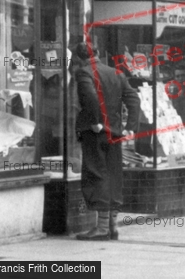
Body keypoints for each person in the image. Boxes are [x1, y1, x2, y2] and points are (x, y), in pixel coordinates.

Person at [74, 42, 140, 241]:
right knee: (113, 175)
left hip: (96, 133)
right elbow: (134, 98)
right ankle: (112, 226)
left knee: (96, 174)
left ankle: (102, 228)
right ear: (99, 53)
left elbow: (91, 98)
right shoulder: (116, 73)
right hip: (116, 133)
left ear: (79, 58)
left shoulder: (84, 72)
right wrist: (130, 126)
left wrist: (95, 121)